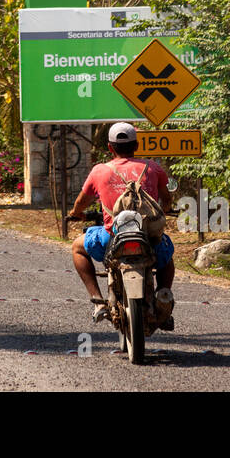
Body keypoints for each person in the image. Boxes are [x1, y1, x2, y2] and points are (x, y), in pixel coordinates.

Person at [67, 121, 176, 326]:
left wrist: (76, 213)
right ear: (136, 146)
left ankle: (98, 301)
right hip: (148, 237)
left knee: (77, 248)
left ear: (110, 147)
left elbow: (81, 202)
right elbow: (166, 199)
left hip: (112, 237)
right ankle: (164, 295)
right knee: (167, 253)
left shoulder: (99, 170)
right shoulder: (153, 168)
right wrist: (168, 208)